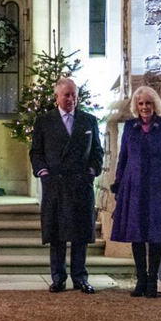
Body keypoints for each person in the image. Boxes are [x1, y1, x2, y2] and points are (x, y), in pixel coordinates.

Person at [30, 77, 103, 294]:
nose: (71, 99)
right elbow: (36, 152)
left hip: (80, 184)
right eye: (66, 95)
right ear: (57, 97)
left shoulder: (89, 120)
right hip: (56, 184)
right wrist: (43, 172)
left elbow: (97, 151)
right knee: (57, 234)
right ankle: (58, 277)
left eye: (74, 95)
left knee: (80, 234)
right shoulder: (44, 121)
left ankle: (80, 277)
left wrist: (92, 171)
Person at [109, 85, 161, 298]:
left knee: (155, 234)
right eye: (141, 104)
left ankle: (152, 280)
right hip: (134, 186)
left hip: (157, 186)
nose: (144, 107)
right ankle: (140, 280)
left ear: (155, 104)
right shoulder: (130, 127)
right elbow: (123, 157)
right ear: (136, 106)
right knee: (137, 234)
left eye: (148, 103)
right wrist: (119, 183)